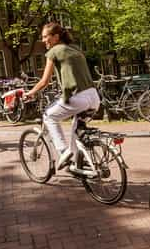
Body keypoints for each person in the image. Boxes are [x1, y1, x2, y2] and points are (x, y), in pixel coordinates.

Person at [24, 22, 100, 169]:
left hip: (78, 97)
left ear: (56, 37)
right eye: (42, 37)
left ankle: (63, 152)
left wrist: (30, 93)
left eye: (46, 37)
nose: (44, 40)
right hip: (94, 97)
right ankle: (78, 164)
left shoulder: (54, 51)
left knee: (49, 116)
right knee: (75, 130)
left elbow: (44, 81)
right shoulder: (76, 49)